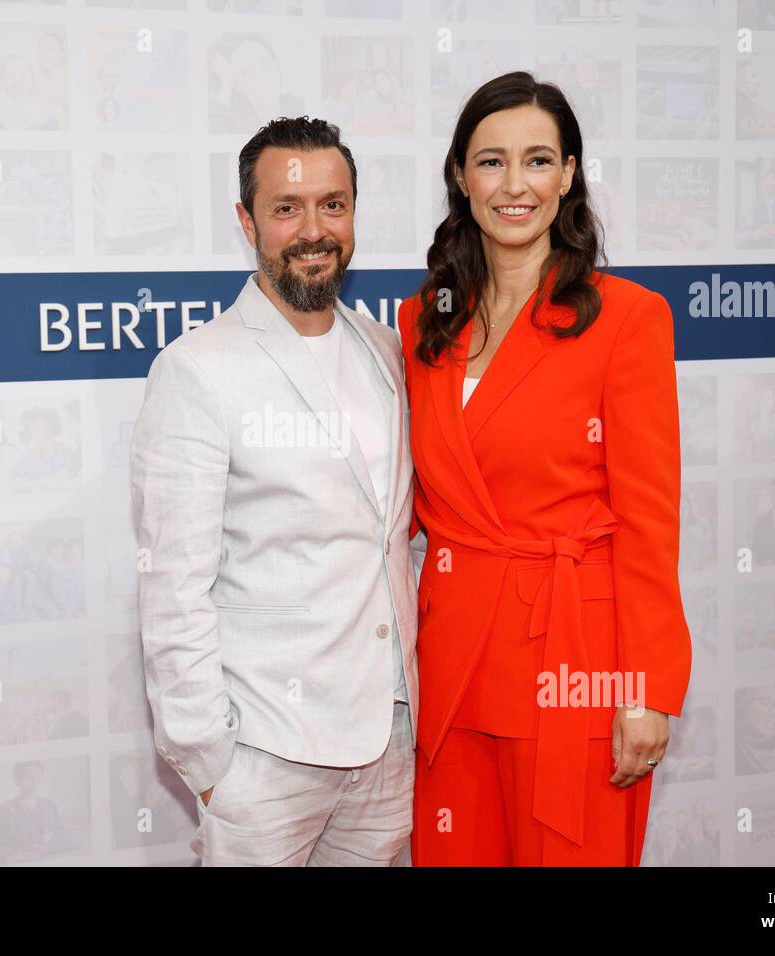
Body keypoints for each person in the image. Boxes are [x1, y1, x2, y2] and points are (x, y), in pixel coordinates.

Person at [399, 71, 692, 866]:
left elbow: (648, 520)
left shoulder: (627, 319)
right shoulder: (423, 320)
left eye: (537, 160)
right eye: (490, 162)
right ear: (461, 178)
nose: (514, 184)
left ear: (568, 176)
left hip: (574, 664)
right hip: (453, 662)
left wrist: (647, 690)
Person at [131, 116, 418, 866]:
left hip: (388, 747)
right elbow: (173, 585)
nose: (313, 229)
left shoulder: (385, 351)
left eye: (334, 204)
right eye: (287, 208)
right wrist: (212, 766)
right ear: (247, 220)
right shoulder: (198, 369)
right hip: (265, 755)